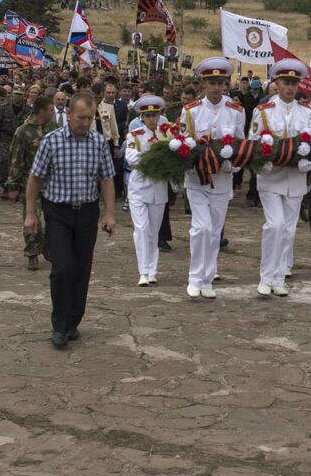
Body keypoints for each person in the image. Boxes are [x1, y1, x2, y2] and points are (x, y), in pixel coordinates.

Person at [25, 93, 116, 349]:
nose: (86, 123)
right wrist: (31, 214)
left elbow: (107, 180)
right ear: (69, 115)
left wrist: (109, 213)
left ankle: (74, 320)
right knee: (62, 267)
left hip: (87, 212)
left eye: (90, 118)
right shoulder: (51, 142)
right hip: (57, 212)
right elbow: (35, 179)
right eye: (81, 118)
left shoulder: (98, 143)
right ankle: (60, 325)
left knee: (81, 269)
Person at [176, 58, 246, 299]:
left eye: (220, 82)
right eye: (212, 83)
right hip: (197, 178)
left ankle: (207, 277)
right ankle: (195, 277)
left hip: (222, 178)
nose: (217, 87)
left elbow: (240, 143)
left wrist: (233, 161)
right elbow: (183, 143)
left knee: (215, 229)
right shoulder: (191, 110)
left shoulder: (236, 111)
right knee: (201, 227)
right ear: (203, 84)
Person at [248, 59, 311, 297]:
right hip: (271, 177)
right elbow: (254, 142)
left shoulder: (307, 112)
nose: (290, 88)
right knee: (274, 225)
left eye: (294, 83)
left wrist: (309, 161)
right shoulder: (263, 110)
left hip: (295, 178)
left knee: (288, 230)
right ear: (276, 82)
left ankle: (278, 277)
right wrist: (260, 163)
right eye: (286, 82)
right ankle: (266, 276)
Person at [124, 95, 170, 286]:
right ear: (141, 117)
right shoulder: (134, 135)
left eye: (155, 115)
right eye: (148, 115)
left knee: (153, 231)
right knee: (141, 229)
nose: (152, 119)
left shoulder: (167, 135)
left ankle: (152, 270)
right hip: (139, 187)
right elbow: (131, 157)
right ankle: (143, 271)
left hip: (158, 188)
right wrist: (153, 157)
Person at [8, 96, 56, 270]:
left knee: (54, 220)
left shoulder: (53, 128)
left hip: (52, 183)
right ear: (42, 111)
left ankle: (49, 247)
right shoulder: (23, 131)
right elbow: (15, 160)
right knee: (32, 218)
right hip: (30, 183)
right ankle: (32, 253)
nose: (53, 112)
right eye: (51, 109)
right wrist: (12, 186)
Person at [0, 84, 29, 198]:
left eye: (20, 94)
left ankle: (16, 187)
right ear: (12, 95)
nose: (18, 97)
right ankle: (5, 185)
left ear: (24, 96)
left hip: (21, 140)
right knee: (4, 162)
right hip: (5, 139)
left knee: (19, 163)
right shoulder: (4, 107)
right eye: (16, 94)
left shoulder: (28, 109)